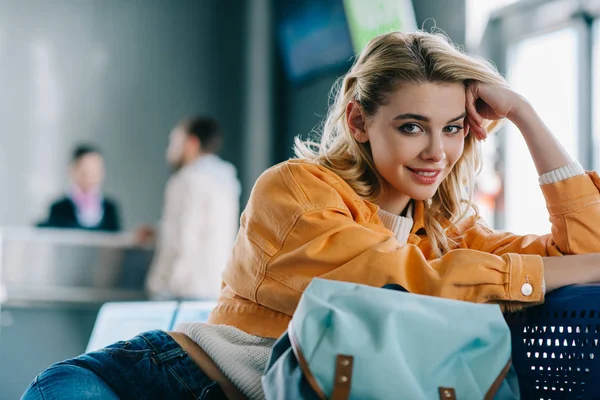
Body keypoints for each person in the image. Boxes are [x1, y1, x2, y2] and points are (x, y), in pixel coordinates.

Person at [22, 31, 600, 400]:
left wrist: (523, 113)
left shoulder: (449, 234)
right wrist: (561, 270)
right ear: (357, 122)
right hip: (149, 383)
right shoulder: (295, 192)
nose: (436, 152)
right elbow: (403, 283)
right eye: (411, 126)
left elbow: (586, 248)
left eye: (451, 128)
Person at [143, 116, 241, 300]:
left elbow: (179, 239)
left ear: (191, 142)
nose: (170, 150)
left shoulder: (186, 180)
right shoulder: (226, 181)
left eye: (174, 142)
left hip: (183, 291)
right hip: (215, 288)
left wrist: (158, 286)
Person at [37, 144, 121, 232]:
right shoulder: (59, 208)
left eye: (96, 171)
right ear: (73, 170)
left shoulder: (110, 208)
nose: (91, 177)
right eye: (86, 171)